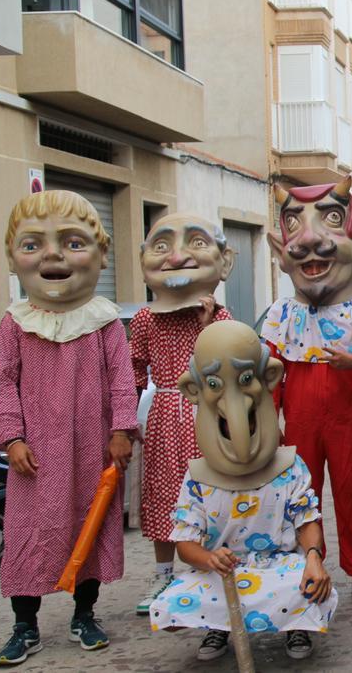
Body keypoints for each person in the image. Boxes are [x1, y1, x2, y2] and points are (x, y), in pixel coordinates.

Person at [0, 190, 139, 664]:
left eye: (72, 243)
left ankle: (85, 614)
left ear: (100, 254)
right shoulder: (15, 323)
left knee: (88, 526)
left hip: (92, 452)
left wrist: (121, 429)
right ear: (13, 258)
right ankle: (24, 624)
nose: (52, 255)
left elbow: (123, 380)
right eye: (33, 245)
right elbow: (0, 384)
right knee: (27, 534)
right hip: (33, 457)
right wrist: (11, 438)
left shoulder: (105, 323)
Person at [149, 321, 337, 662]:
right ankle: (217, 627)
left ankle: (296, 624)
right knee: (172, 601)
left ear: (268, 379)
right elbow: (185, 543)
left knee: (311, 584)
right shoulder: (197, 477)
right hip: (223, 571)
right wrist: (208, 559)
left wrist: (313, 558)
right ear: (195, 390)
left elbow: (307, 519)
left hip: (278, 567)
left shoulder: (290, 466)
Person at [260, 179, 352, 604]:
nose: (311, 240)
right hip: (298, 425)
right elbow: (268, 374)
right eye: (295, 226)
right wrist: (268, 425)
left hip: (346, 421)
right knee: (299, 498)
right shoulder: (280, 315)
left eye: (331, 220)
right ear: (281, 250)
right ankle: (303, 564)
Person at [131, 213, 234, 615]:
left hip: (208, 415)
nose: (176, 258)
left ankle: (208, 568)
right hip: (163, 416)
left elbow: (228, 363)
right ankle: (162, 575)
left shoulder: (219, 315)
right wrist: (123, 424)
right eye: (161, 247)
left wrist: (208, 324)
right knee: (164, 496)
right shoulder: (144, 319)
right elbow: (133, 372)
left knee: (212, 495)